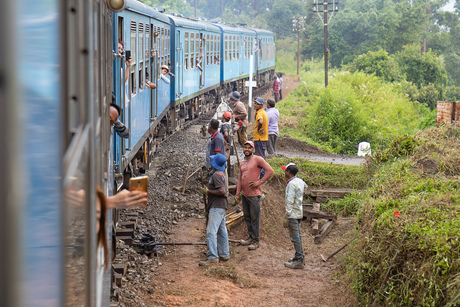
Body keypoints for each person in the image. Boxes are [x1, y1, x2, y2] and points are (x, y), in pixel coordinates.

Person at [234, 141, 273, 250]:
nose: (247, 149)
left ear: (253, 149)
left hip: (254, 195)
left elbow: (270, 171)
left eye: (249, 148)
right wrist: (238, 193)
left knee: (255, 218)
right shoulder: (242, 162)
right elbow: (240, 179)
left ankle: (256, 241)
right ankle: (250, 237)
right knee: (247, 217)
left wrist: (259, 182)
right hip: (245, 195)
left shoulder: (258, 159)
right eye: (245, 147)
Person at [199, 154, 230, 266]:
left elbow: (222, 192)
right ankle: (224, 254)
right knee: (222, 231)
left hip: (217, 207)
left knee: (211, 232)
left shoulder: (216, 176)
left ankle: (213, 257)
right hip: (220, 206)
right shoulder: (221, 174)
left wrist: (208, 192)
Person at [282, 162, 308, 269]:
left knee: (295, 237)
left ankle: (299, 259)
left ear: (288, 173)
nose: (284, 173)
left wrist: (287, 214)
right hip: (299, 212)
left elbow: (289, 201)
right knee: (298, 236)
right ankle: (299, 256)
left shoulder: (291, 184)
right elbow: (305, 187)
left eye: (285, 171)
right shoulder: (300, 181)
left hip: (292, 213)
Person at [253, 97, 268, 167]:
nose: (255, 105)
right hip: (263, 138)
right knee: (261, 156)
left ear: (261, 105)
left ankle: (262, 172)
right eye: (255, 103)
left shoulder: (259, 113)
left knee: (260, 157)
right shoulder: (264, 112)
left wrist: (259, 129)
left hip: (259, 138)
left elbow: (260, 121)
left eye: (257, 104)